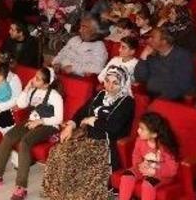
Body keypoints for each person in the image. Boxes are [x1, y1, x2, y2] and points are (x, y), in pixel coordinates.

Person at [42, 66, 136, 200]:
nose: (109, 86)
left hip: (105, 145)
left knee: (79, 163)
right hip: (87, 137)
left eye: (115, 82)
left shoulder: (127, 102)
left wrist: (93, 120)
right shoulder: (101, 95)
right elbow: (82, 111)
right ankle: (58, 195)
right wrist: (71, 125)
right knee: (58, 152)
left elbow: (114, 127)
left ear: (122, 83)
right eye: (107, 80)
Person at [0, 67, 63, 200]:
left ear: (46, 84)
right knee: (8, 137)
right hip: (31, 121)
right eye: (34, 76)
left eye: (37, 79)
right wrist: (27, 89)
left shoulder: (55, 96)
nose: (33, 80)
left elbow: (59, 119)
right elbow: (21, 104)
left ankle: (21, 187)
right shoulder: (33, 90)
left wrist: (40, 121)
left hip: (48, 125)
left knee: (25, 142)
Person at [118, 112, 180, 200]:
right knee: (126, 176)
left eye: (142, 129)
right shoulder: (140, 140)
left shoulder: (165, 147)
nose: (138, 130)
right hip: (144, 168)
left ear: (154, 134)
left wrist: (155, 172)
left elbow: (172, 170)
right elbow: (136, 155)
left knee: (147, 184)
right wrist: (139, 165)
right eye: (139, 127)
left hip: (161, 174)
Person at [134, 28, 195, 100]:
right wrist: (143, 58)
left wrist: (159, 101)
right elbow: (140, 78)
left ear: (164, 41)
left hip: (172, 99)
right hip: (151, 95)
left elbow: (182, 84)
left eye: (152, 38)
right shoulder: (151, 54)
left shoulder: (183, 56)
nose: (148, 40)